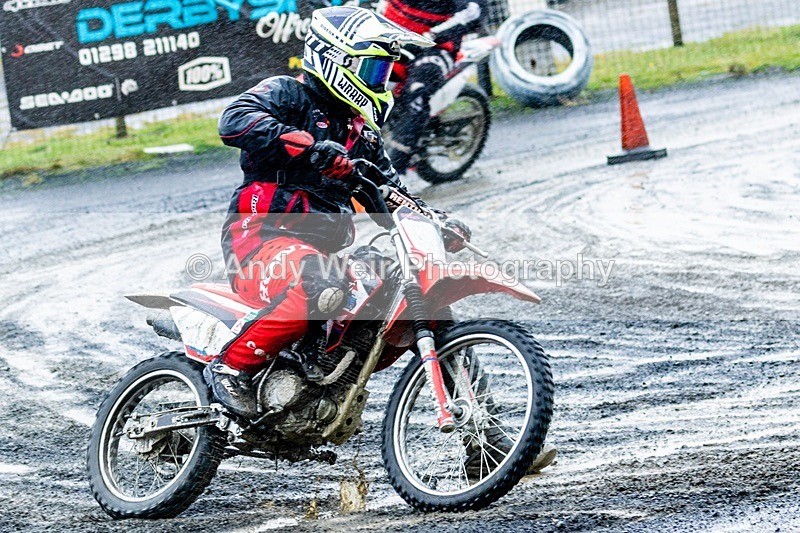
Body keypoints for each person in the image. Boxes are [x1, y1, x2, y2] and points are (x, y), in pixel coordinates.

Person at [208, 6, 468, 418]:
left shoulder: (361, 133)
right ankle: (231, 369)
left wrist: (434, 221)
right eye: (373, 70)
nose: (379, 82)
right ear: (336, 59)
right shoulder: (288, 94)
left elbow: (389, 191)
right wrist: (310, 147)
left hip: (322, 252)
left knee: (390, 282)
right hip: (259, 240)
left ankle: (483, 433)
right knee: (321, 280)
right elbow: (234, 121)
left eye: (383, 73)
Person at [381, 0, 485, 175]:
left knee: (417, 93)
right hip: (391, 40)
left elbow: (473, 12)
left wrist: (430, 36)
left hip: (435, 48)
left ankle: (394, 169)